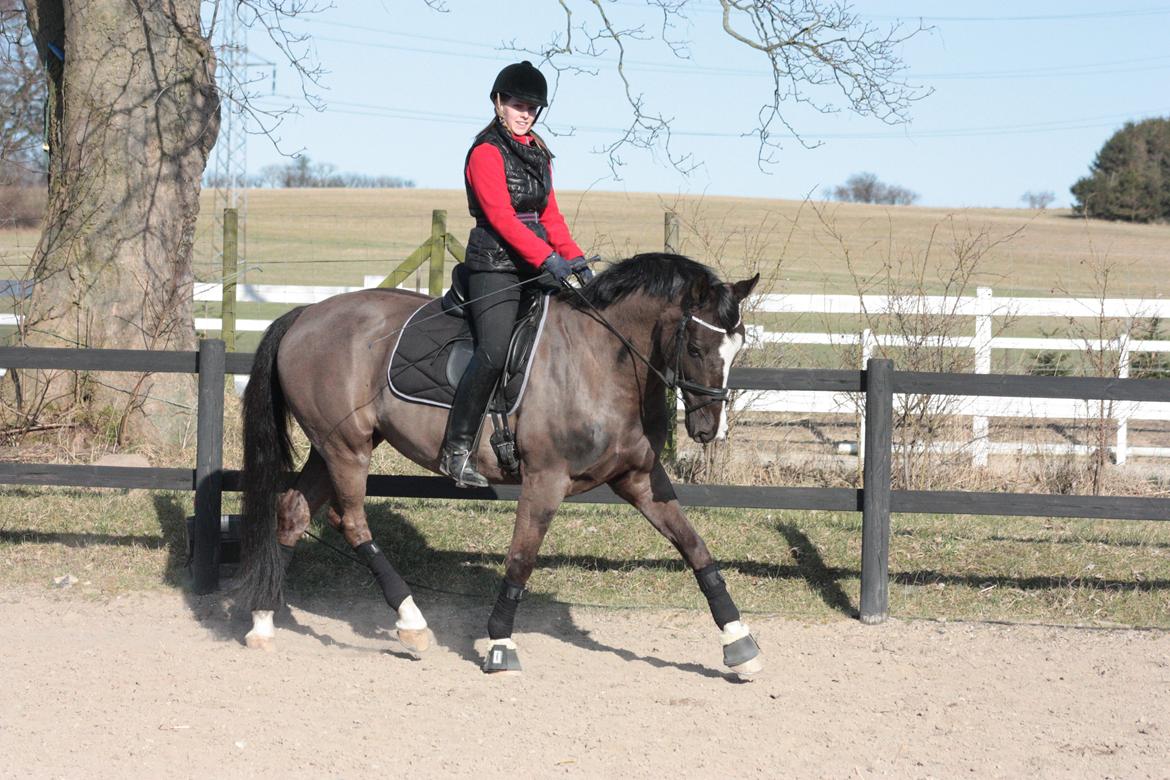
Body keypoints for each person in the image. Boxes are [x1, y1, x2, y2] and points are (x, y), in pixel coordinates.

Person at [439, 60, 592, 488]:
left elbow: (551, 215)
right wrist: (547, 259)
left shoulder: (539, 152)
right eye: (518, 105)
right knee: (492, 350)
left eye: (532, 108)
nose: (526, 113)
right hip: (494, 266)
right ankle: (456, 449)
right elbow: (503, 220)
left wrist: (575, 260)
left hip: (535, 262)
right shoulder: (486, 152)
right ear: (498, 103)